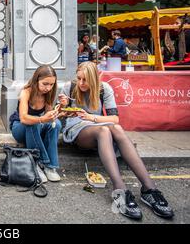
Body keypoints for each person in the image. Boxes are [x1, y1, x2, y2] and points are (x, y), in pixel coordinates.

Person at [58, 62, 174, 220]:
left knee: (116, 129)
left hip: (96, 123)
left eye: (85, 80)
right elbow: (59, 116)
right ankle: (119, 190)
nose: (81, 83)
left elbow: (115, 118)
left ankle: (149, 189)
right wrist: (62, 106)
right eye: (79, 78)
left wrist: (91, 116)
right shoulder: (69, 87)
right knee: (104, 130)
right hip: (76, 128)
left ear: (94, 79)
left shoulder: (104, 88)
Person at [9, 65, 62, 183]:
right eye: (45, 84)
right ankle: (36, 163)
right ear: (36, 80)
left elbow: (49, 116)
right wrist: (42, 119)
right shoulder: (26, 92)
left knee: (56, 124)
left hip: (36, 126)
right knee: (33, 122)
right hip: (19, 127)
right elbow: (23, 118)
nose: (48, 88)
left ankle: (50, 167)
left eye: (51, 84)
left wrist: (58, 109)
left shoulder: (48, 93)